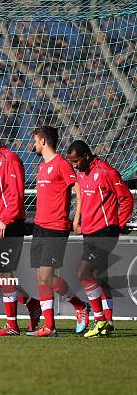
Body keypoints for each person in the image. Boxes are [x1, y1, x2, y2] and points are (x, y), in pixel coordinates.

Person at [0, 126, 40, 336]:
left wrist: (5, 219)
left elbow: (16, 195)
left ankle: (12, 325)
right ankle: (31, 304)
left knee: (4, 273)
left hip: (9, 225)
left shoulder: (10, 160)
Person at [67, 140, 134, 338]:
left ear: (86, 156)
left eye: (76, 161)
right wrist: (78, 221)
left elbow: (127, 199)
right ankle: (109, 321)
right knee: (98, 276)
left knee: (82, 272)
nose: (74, 165)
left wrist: (119, 224)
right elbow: (85, 201)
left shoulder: (107, 172)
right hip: (90, 232)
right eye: (72, 162)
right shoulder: (81, 174)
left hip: (105, 232)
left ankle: (99, 319)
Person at [29, 126, 90, 337]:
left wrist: (76, 219)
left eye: (35, 141)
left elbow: (79, 191)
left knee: (47, 275)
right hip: (39, 226)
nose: (34, 145)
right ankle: (49, 326)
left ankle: (80, 306)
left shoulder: (62, 164)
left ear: (43, 141)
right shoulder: (42, 167)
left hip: (56, 227)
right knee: (40, 277)